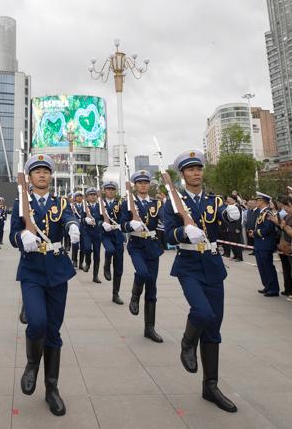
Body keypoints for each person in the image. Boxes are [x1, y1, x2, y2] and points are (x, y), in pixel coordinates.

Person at [161, 150, 237, 413]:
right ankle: (187, 343)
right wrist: (183, 231)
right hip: (189, 266)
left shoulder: (214, 201)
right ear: (182, 174)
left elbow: (223, 220)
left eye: (199, 169)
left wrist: (232, 214)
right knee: (202, 312)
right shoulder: (173, 202)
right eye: (191, 170)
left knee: (214, 327)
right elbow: (167, 235)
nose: (196, 173)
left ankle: (211, 386)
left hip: (213, 266)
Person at [11, 154, 80, 416]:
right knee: (37, 322)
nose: (41, 175)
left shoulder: (60, 202)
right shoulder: (22, 202)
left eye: (45, 171)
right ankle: (32, 364)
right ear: (29, 178)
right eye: (36, 171)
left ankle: (52, 388)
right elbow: (12, 235)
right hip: (31, 271)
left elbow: (68, 217)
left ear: (51, 176)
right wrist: (22, 236)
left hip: (57, 270)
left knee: (53, 331)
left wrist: (73, 226)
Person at [120, 169, 165, 342]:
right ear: (135, 185)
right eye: (140, 183)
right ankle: (135, 294)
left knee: (152, 287)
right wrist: (130, 225)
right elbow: (122, 224)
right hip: (137, 245)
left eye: (146, 182)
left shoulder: (157, 203)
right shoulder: (128, 203)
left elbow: (164, 220)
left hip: (152, 246)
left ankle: (149, 328)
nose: (143, 185)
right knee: (143, 273)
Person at [99, 181, 125, 303]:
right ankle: (106, 265)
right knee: (110, 250)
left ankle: (116, 294)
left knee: (119, 267)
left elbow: (124, 217)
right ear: (104, 191)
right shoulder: (100, 204)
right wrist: (102, 223)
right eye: (108, 189)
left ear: (115, 191)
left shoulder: (120, 203)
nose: (110, 191)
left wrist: (123, 225)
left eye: (112, 189)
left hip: (118, 235)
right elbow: (95, 218)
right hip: (105, 235)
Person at [251, 192, 280, 297]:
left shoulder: (268, 213)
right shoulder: (261, 212)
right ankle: (267, 286)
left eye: (258, 200)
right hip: (260, 243)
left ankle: (273, 289)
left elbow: (268, 229)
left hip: (266, 243)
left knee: (267, 267)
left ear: (262, 201)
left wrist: (255, 233)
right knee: (262, 267)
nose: (256, 202)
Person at [82, 188, 103, 283]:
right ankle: (88, 262)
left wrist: (99, 223)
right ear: (87, 197)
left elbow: (104, 218)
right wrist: (86, 220)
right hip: (87, 232)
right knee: (87, 248)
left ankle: (95, 276)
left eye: (94, 194)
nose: (93, 196)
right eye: (90, 194)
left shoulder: (100, 206)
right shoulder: (84, 206)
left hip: (97, 233)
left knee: (97, 255)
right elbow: (81, 219)